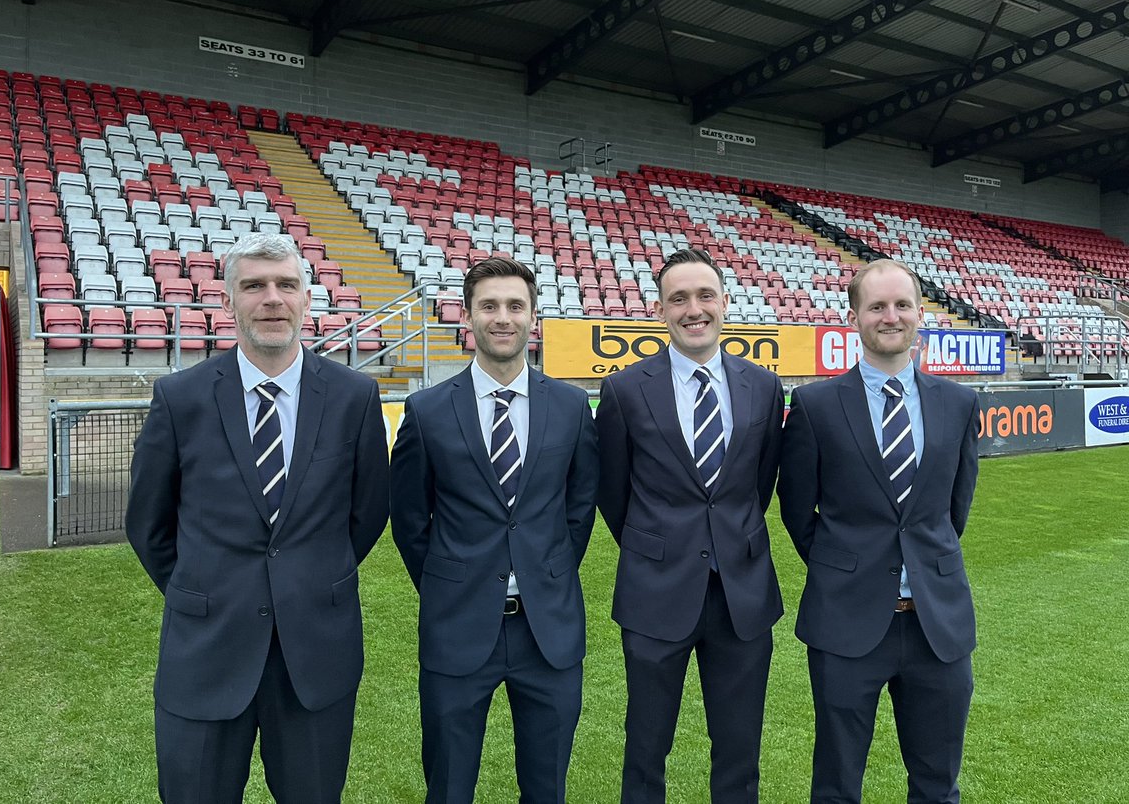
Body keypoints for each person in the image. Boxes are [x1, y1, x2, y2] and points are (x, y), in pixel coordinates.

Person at [125, 233, 390, 804]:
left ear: (307, 299)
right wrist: (199, 588)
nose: (272, 299)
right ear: (227, 301)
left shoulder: (354, 396)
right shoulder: (180, 397)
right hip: (206, 649)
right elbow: (148, 523)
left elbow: (367, 513)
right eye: (254, 286)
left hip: (316, 653)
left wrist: (311, 575)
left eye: (286, 285)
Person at [389, 255, 598, 804]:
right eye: (489, 306)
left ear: (534, 317)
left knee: (546, 788)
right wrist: (451, 582)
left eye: (514, 305)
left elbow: (579, 511)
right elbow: (410, 520)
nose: (502, 317)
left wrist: (543, 574)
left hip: (546, 632)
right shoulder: (427, 409)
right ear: (468, 316)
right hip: (457, 629)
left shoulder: (573, 407)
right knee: (450, 787)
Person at [778, 258, 980, 804]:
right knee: (837, 786)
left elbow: (952, 509)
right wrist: (846, 565)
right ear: (854, 317)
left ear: (921, 315)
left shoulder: (959, 403)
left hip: (937, 626)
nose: (890, 316)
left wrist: (922, 560)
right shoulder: (816, 404)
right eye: (876, 306)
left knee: (938, 787)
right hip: (845, 623)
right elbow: (797, 511)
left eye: (902, 305)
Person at [596, 247, 785, 804]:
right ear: (661, 310)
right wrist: (658, 547)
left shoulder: (764, 386)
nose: (693, 309)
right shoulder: (625, 390)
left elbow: (761, 481)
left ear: (725, 303)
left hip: (742, 595)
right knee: (646, 746)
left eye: (705, 295)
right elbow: (612, 492)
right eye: (678, 298)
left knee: (739, 748)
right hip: (655, 593)